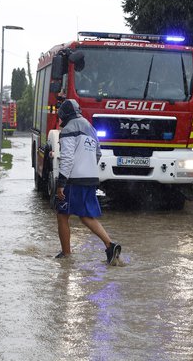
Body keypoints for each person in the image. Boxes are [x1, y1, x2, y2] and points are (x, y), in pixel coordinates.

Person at [55, 99, 122, 265]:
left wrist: (61, 182)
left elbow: (67, 157)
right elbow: (98, 154)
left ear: (64, 115)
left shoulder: (68, 129)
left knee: (62, 215)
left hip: (74, 180)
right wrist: (88, 168)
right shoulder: (90, 128)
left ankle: (66, 255)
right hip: (91, 178)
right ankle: (110, 245)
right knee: (86, 216)